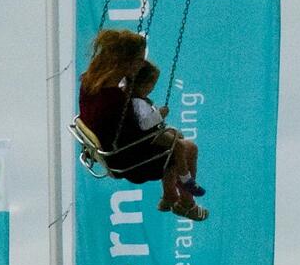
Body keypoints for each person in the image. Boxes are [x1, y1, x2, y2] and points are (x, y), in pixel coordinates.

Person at [78, 28, 208, 221]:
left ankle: (171, 197)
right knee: (187, 148)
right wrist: (163, 127)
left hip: (113, 150)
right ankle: (187, 204)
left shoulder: (91, 81)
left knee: (177, 142)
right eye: (139, 60)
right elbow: (138, 135)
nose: (141, 65)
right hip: (130, 162)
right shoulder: (115, 100)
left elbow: (124, 129)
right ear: (125, 61)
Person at [129, 60, 206, 202]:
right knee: (179, 145)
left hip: (151, 133)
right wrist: (159, 115)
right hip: (148, 136)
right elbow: (144, 125)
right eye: (151, 85)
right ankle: (185, 179)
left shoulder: (136, 97)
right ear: (141, 84)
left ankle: (169, 193)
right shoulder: (137, 103)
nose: (152, 88)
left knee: (178, 135)